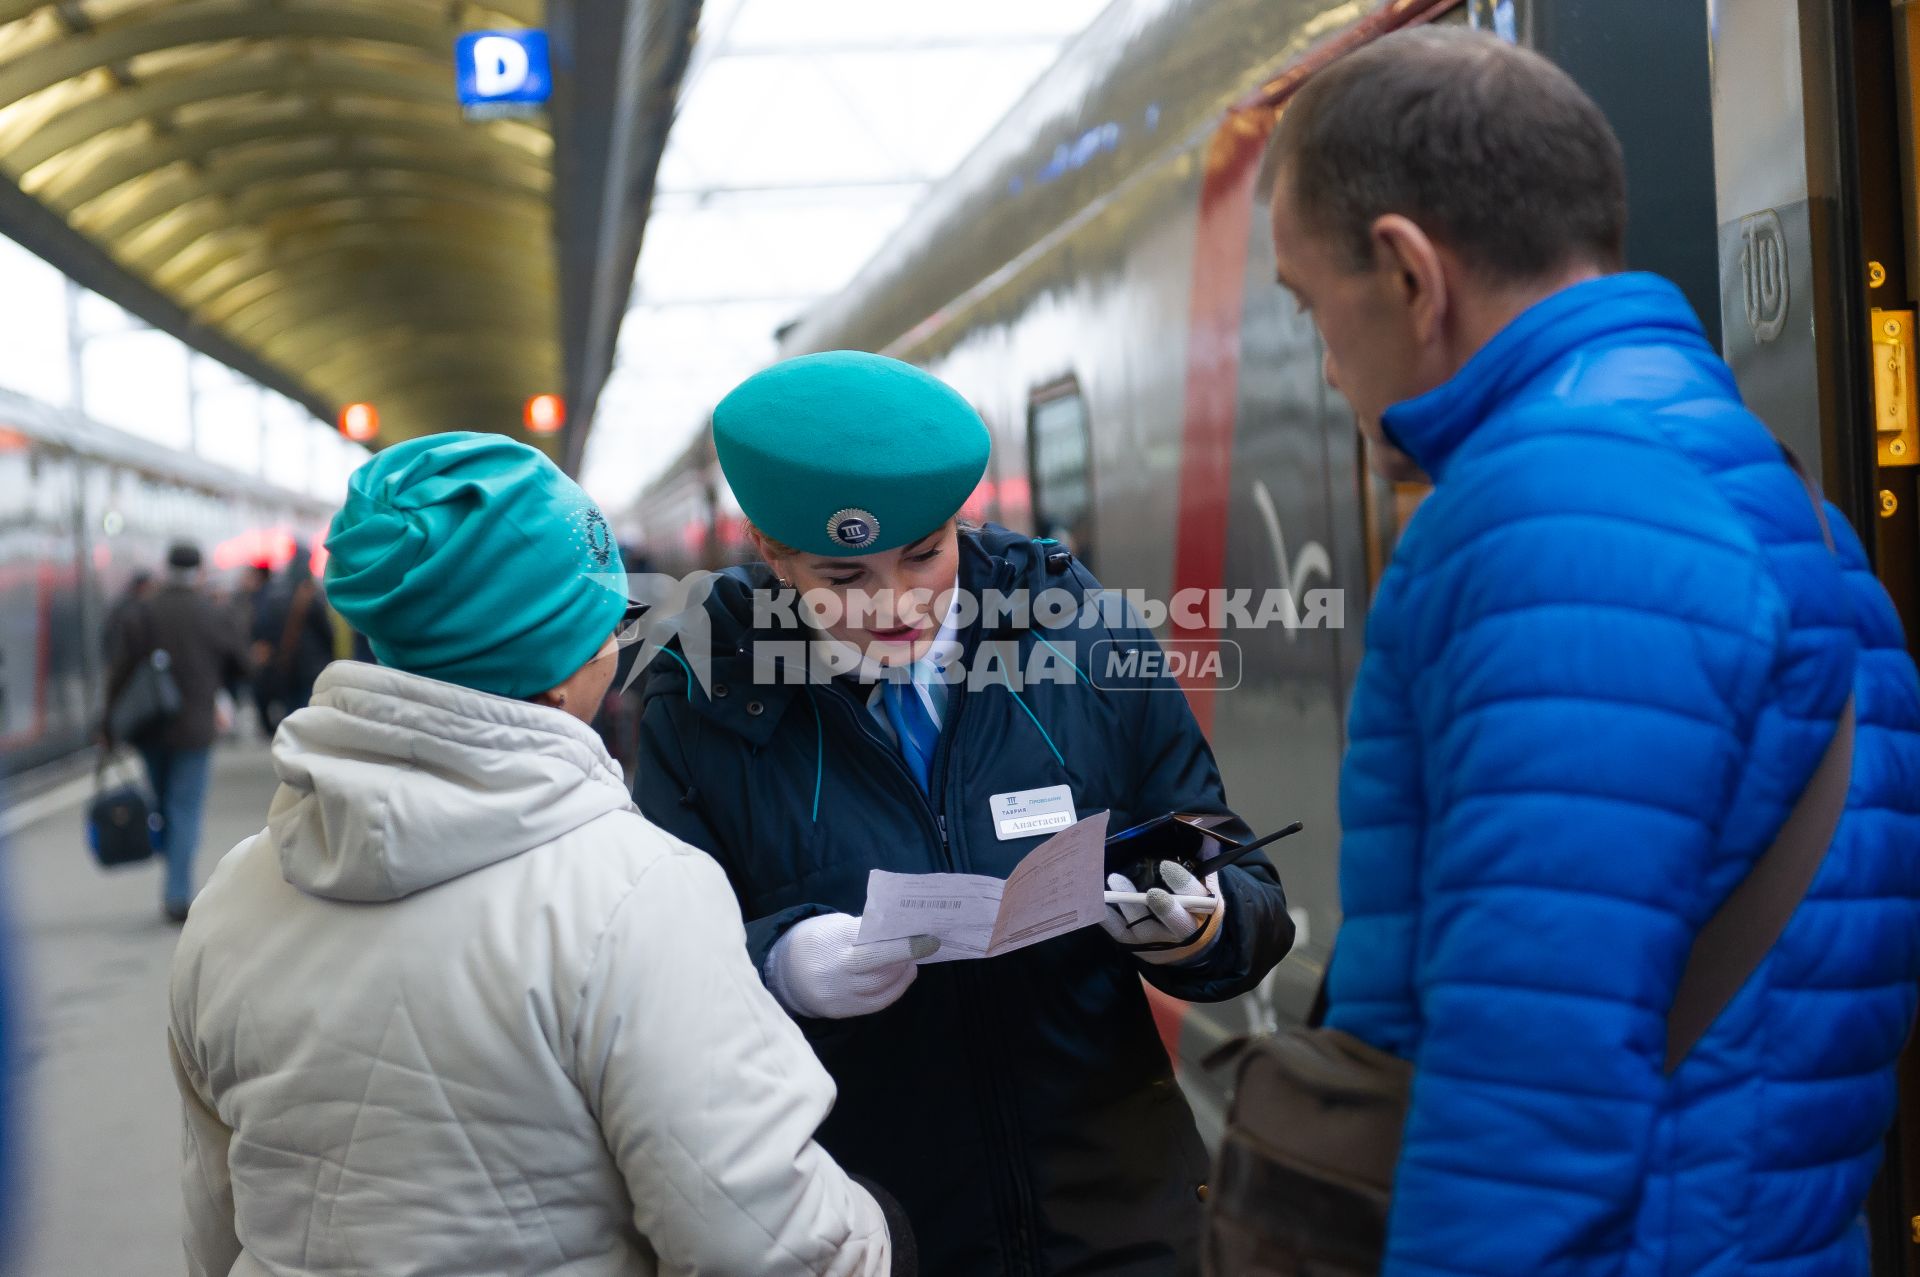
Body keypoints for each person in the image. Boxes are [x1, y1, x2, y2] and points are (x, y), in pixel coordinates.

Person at [1267, 28, 1920, 1276]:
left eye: (1311, 307)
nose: (1328, 361)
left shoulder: (1554, 512)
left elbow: (1529, 1086)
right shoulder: (1772, 496)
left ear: (1409, 273)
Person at [169, 433, 905, 1277]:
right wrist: (880, 1231)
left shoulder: (233, 895)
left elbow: (216, 1216)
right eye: (609, 628)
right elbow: (770, 1249)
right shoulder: (638, 894)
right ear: (558, 675)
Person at [633, 351, 1296, 1276]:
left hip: (1120, 1217)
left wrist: (1201, 928)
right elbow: (653, 985)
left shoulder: (1081, 635)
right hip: (874, 1230)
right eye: (844, 576)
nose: (898, 605)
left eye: (924, 554)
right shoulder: (700, 697)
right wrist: (783, 964)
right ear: (769, 551)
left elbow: (1243, 878)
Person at [104, 542, 248, 922]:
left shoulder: (143, 611)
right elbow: (240, 662)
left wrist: (107, 721)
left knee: (165, 805)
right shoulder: (211, 612)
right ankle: (177, 893)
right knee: (183, 807)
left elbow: (120, 671)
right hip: (195, 728)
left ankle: (175, 877)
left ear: (166, 568)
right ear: (199, 571)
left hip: (150, 726)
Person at [249, 542, 333, 730]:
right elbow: (326, 633)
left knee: (292, 711)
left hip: (285, 664)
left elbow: (263, 629)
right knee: (309, 712)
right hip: (312, 666)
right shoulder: (311, 594)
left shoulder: (275, 594)